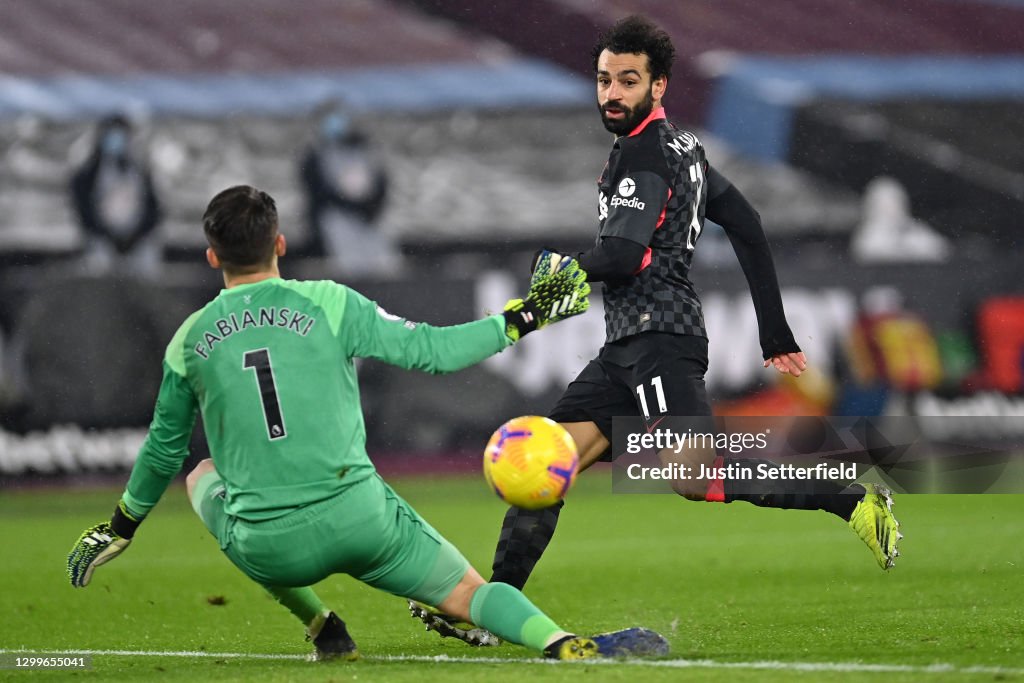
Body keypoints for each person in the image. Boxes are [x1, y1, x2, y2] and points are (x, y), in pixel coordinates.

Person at [414, 14, 902, 645]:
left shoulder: (644, 154)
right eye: (603, 80)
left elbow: (620, 256)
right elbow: (747, 221)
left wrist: (566, 270)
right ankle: (492, 618)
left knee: (695, 477)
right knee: (543, 469)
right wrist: (775, 331)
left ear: (659, 86)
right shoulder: (683, 150)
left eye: (627, 80)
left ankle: (847, 496)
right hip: (627, 346)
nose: (611, 93)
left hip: (661, 342)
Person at [66, 185, 668, 662]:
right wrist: (526, 315)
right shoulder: (331, 303)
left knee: (201, 475)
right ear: (279, 244)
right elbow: (435, 352)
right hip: (360, 521)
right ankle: (559, 643)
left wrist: (120, 526)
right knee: (470, 594)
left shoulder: (189, 340)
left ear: (211, 257)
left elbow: (162, 450)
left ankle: (322, 625)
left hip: (271, 549)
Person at [298, 103, 400, 276]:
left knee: (382, 262)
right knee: (349, 263)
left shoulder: (364, 150)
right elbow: (318, 191)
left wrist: (370, 206)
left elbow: (381, 181)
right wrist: (347, 205)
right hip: (336, 216)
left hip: (369, 216)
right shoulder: (316, 155)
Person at [70, 115, 163, 278]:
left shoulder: (140, 170)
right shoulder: (89, 173)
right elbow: (83, 210)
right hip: (101, 243)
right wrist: (106, 236)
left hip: (138, 243)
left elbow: (154, 208)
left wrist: (135, 237)